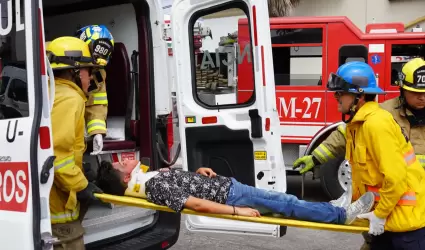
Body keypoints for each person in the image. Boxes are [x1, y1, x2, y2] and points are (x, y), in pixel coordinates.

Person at [293, 58, 425, 250]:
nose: (422, 97)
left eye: (424, 92)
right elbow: (344, 136)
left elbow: (396, 177)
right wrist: (316, 157)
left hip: (409, 216)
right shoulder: (380, 114)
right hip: (388, 212)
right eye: (415, 92)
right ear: (402, 89)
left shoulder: (377, 121)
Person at [95, 159, 375, 225]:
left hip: (229, 189)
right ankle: (340, 215)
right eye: (121, 163)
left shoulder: (150, 180)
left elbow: (183, 185)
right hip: (232, 197)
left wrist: (197, 173)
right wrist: (236, 211)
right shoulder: (153, 186)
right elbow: (197, 205)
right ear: (125, 178)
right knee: (287, 203)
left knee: (285, 203)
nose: (125, 159)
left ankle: (333, 207)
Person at [47, 36, 104, 249]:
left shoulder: (51, 92)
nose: (91, 80)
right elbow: (55, 155)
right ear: (77, 72)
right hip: (58, 209)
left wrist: (80, 169)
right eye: (90, 73)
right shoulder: (70, 98)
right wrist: (81, 185)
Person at [75, 24, 115, 155]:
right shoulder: (60, 67)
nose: (92, 74)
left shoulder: (98, 75)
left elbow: (96, 106)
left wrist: (97, 133)